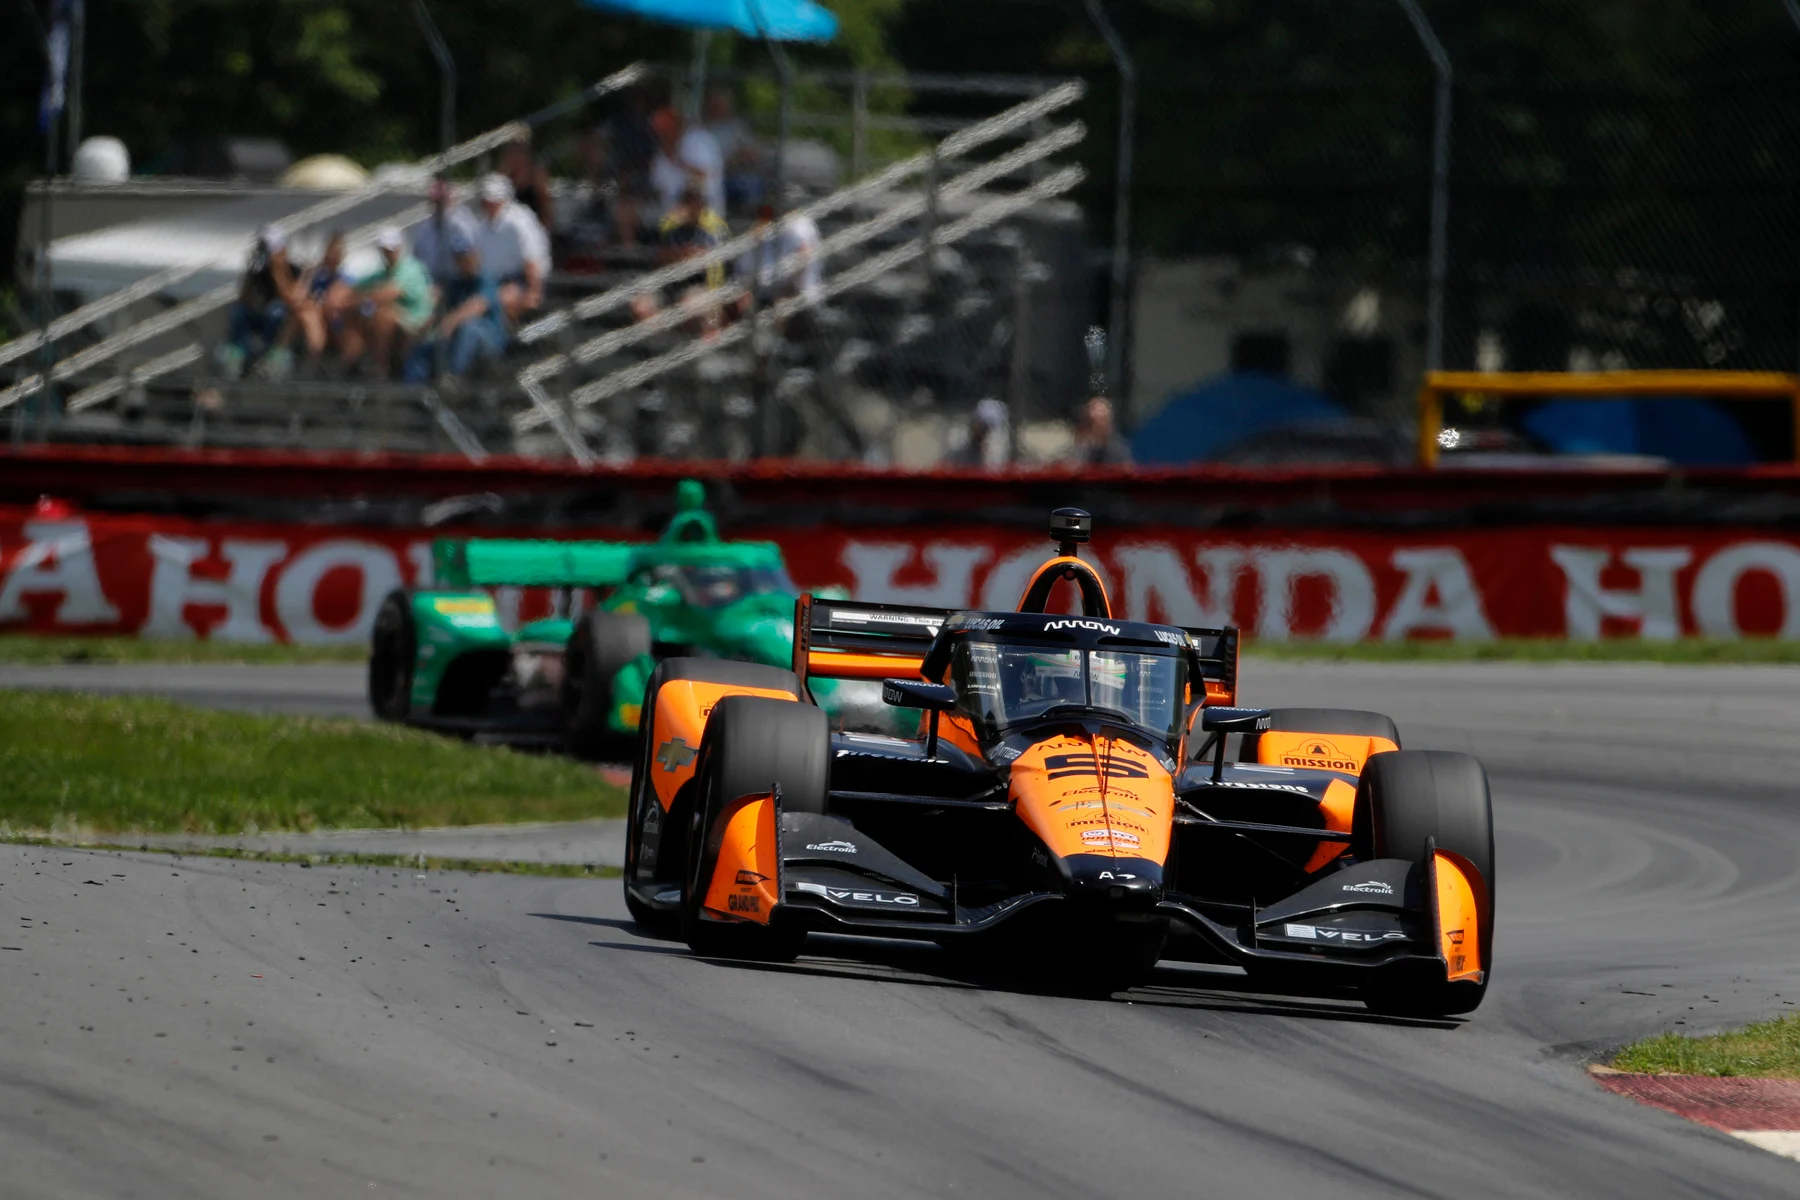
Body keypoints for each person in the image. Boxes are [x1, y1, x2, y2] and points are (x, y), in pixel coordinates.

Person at [404, 231, 508, 384]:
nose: (465, 261)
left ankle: (453, 378)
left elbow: (477, 306)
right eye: (460, 258)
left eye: (467, 256)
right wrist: (421, 330)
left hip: (489, 341)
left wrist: (450, 322)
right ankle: (412, 391)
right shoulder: (455, 283)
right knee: (423, 348)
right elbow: (442, 313)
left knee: (469, 327)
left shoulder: (487, 279)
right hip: (457, 339)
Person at [338, 227, 435, 378]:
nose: (389, 253)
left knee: (383, 315)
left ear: (400, 247)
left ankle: (381, 367)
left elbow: (386, 294)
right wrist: (342, 299)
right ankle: (350, 365)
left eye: (392, 248)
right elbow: (356, 287)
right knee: (354, 315)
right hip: (397, 319)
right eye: (386, 249)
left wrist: (351, 302)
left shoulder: (410, 268)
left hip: (416, 320)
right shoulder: (382, 272)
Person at [217, 224, 298, 380]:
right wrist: (250, 271)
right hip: (259, 315)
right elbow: (243, 298)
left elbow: (291, 299)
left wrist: (277, 270)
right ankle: (238, 354)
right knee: (238, 311)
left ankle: (275, 356)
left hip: (280, 320)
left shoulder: (294, 269)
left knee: (277, 309)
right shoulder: (258, 269)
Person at [268, 229, 351, 375]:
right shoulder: (317, 275)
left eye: (336, 252)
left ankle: (281, 353)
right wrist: (309, 274)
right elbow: (295, 297)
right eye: (329, 251)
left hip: (333, 325)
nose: (331, 256)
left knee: (306, 311)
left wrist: (310, 304)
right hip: (310, 320)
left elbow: (331, 305)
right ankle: (301, 358)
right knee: (303, 312)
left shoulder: (343, 279)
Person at [472, 174, 551, 323]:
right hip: (490, 280)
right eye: (487, 200)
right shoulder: (481, 223)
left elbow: (532, 259)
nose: (489, 204)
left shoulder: (519, 222)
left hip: (518, 279)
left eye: (493, 200)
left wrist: (534, 291)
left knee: (488, 301)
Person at [648, 106, 725, 219]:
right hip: (670, 210)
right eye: (661, 132)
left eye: (668, 130)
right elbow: (657, 187)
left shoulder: (698, 140)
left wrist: (677, 161)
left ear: (678, 126)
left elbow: (704, 174)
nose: (664, 135)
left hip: (705, 209)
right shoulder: (661, 156)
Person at [703, 87, 763, 213]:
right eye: (714, 103)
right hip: (707, 174)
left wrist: (733, 160)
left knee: (751, 183)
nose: (717, 107)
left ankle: (747, 217)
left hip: (732, 173)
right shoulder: (703, 126)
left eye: (721, 103)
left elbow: (753, 153)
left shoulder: (737, 127)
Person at [411, 178, 479, 288]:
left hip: (457, 283)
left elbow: (469, 256)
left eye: (442, 201)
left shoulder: (461, 224)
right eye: (436, 201)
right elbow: (417, 259)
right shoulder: (423, 228)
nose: (438, 205)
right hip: (429, 283)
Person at [500, 133, 555, 232]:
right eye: (513, 150)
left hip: (534, 226)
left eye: (520, 150)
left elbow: (545, 204)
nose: (516, 155)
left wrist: (545, 230)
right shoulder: (506, 176)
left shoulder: (536, 174)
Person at [946, 398, 1012, 469]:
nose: (984, 434)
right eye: (981, 426)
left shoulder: (999, 456)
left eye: (987, 429)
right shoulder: (959, 455)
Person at [1068, 395, 1133, 466]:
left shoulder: (1120, 451)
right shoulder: (1079, 451)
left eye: (1103, 420)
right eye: (1095, 422)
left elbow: (1127, 471)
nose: (1101, 426)